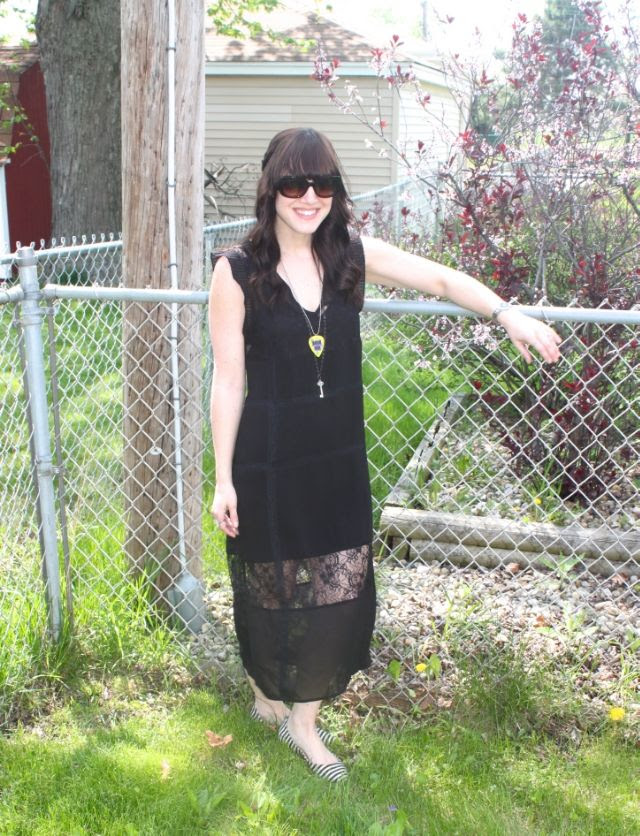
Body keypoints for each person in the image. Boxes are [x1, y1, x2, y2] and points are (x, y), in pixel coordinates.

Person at [207, 127, 561, 782]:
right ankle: (266, 693)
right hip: (269, 462)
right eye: (294, 183)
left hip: (337, 460)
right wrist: (223, 478)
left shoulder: (350, 255)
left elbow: (441, 278)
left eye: (322, 184)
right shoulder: (236, 271)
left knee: (340, 590)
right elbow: (228, 381)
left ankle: (303, 723)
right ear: (271, 188)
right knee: (270, 587)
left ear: (335, 192)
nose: (308, 197)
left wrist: (506, 314)